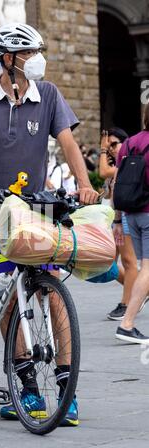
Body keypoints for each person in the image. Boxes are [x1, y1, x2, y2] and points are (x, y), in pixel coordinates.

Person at [0, 23, 98, 426]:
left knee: (52, 293)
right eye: (29, 53)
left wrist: (86, 185)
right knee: (7, 289)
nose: (37, 59)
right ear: (7, 59)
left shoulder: (48, 94)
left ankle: (66, 386)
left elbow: (68, 143)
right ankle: (26, 387)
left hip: (35, 209)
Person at [113, 103, 149, 344]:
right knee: (148, 267)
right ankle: (127, 323)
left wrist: (117, 218)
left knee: (143, 264)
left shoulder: (129, 143)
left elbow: (117, 181)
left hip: (130, 213)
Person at [99, 127, 138, 320]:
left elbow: (102, 171)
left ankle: (127, 303)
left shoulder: (126, 162)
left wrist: (102, 150)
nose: (111, 148)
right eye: (109, 145)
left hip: (124, 216)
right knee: (107, 262)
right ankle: (141, 290)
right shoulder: (121, 164)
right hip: (117, 217)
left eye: (114, 144)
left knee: (128, 262)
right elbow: (107, 189)